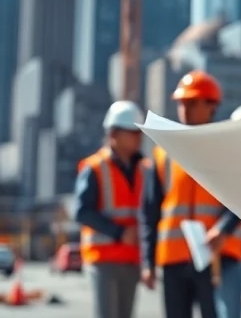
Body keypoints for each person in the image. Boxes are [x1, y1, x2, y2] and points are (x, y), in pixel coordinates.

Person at [140, 71, 241, 318]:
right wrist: (148, 262)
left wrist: (224, 229)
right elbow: (149, 211)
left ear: (212, 106)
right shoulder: (162, 153)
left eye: (192, 102)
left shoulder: (226, 150)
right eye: (181, 103)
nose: (184, 109)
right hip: (173, 258)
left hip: (216, 257)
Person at [74, 100, 146, 318]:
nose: (138, 137)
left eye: (139, 132)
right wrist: (119, 233)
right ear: (114, 133)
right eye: (132, 132)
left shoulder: (144, 169)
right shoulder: (94, 167)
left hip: (132, 258)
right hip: (103, 258)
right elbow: (82, 211)